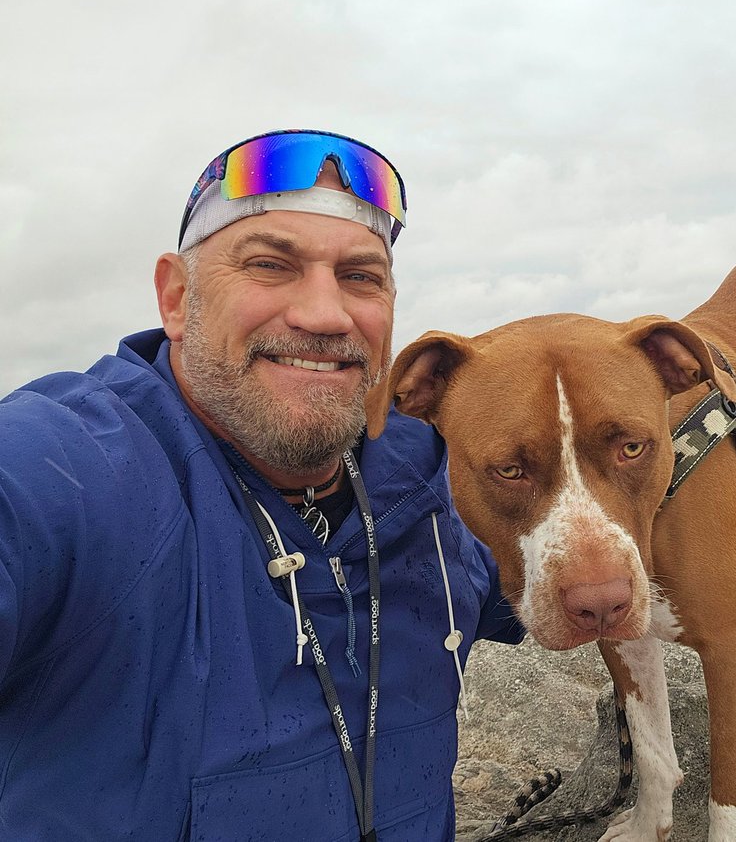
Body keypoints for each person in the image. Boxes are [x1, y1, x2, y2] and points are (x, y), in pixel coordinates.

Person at [0, 129, 523, 840]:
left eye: (361, 276)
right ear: (177, 297)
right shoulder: (77, 467)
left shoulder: (431, 478)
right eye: (271, 265)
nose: (325, 314)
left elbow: (565, 583)